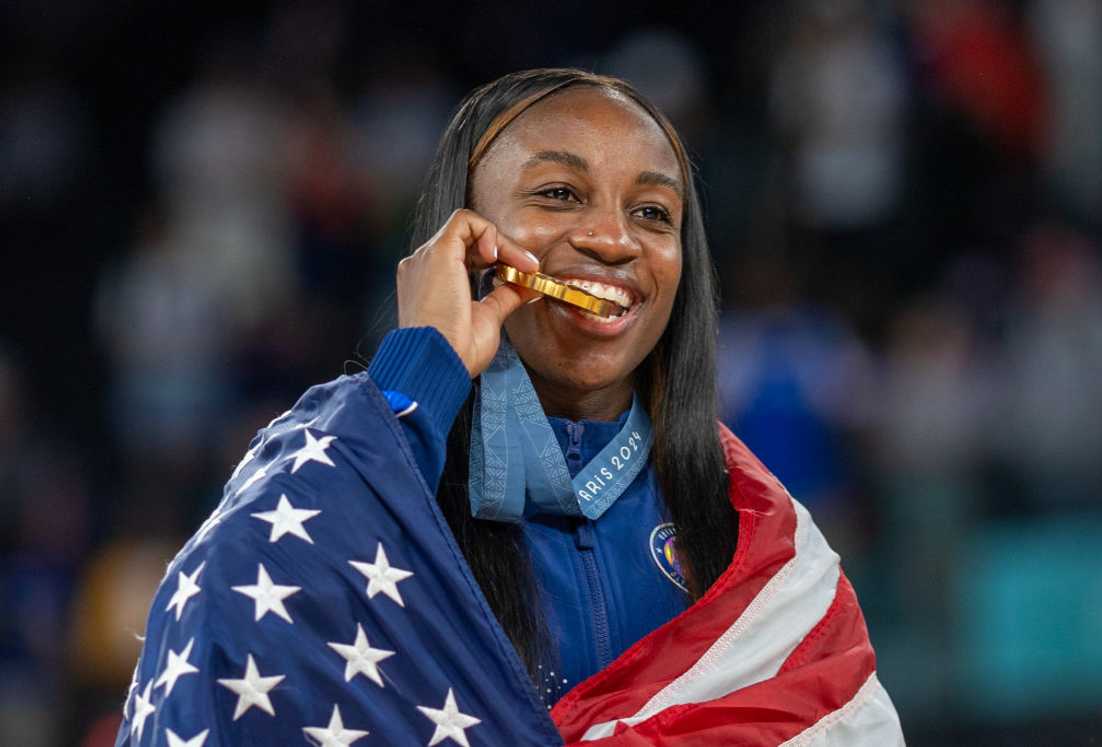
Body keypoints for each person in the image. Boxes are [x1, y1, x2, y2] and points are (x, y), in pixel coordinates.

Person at [116, 69, 903, 746]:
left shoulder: (759, 539)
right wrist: (417, 374)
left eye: (654, 212)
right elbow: (229, 613)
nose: (613, 238)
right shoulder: (362, 474)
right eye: (560, 194)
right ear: (465, 238)